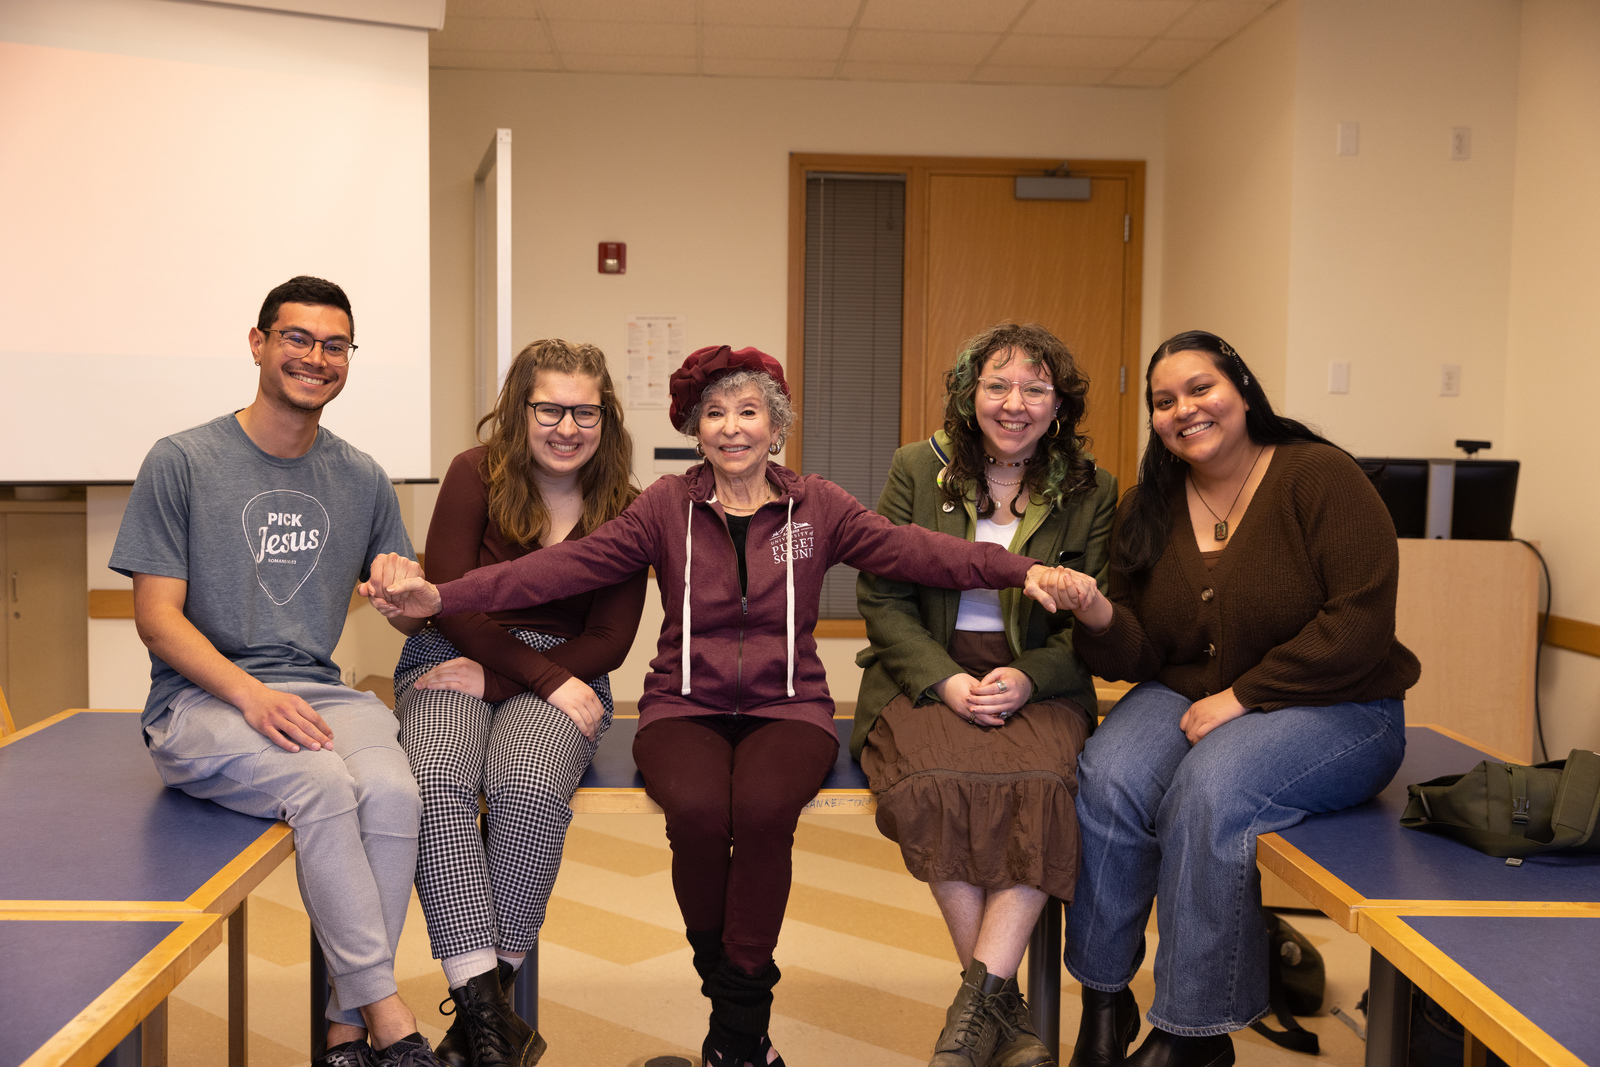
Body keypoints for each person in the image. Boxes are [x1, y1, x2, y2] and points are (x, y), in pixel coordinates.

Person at [366, 345, 1081, 1067]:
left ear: (777, 427)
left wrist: (1026, 571)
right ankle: (738, 1022)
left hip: (789, 708)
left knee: (765, 812)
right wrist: (445, 597)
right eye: (715, 413)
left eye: (750, 412)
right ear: (694, 427)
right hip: (683, 706)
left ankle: (736, 1031)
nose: (733, 427)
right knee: (701, 815)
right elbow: (554, 568)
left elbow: (924, 553)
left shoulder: (820, 506)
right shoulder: (664, 506)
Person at [1053, 331, 1420, 1067]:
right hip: (1189, 689)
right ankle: (1104, 997)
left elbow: (1359, 623)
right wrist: (1096, 613)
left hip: (1340, 707)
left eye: (1200, 388)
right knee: (1109, 772)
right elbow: (1141, 654)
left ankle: (1195, 1032)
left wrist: (1246, 695)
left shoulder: (1320, 476)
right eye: (1164, 400)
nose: (1183, 409)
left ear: (1243, 390)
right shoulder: (1147, 504)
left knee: (1211, 788)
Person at [110, 276, 445, 1067]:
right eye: (297, 338)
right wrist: (249, 694)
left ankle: (341, 1031)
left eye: (335, 345)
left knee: (398, 789)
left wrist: (408, 597)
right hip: (199, 699)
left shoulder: (361, 475)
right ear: (259, 343)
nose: (315, 357)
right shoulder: (182, 459)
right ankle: (389, 1017)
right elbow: (156, 617)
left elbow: (402, 603)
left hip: (318, 688)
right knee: (322, 782)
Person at [854, 323, 1118, 1067]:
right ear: (969, 396)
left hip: (1039, 674)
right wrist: (946, 679)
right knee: (936, 785)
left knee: (1041, 787)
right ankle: (1006, 1011)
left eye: (1036, 389)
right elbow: (883, 595)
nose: (1015, 403)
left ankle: (976, 1010)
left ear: (1059, 403)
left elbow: (1097, 621)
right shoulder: (917, 466)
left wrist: (1031, 674)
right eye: (998, 385)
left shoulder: (1093, 487)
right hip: (930, 669)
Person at [392, 339, 646, 1067]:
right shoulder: (475, 473)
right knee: (434, 782)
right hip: (454, 653)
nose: (567, 426)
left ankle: (482, 1024)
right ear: (519, 409)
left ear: (607, 419)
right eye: (549, 408)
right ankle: (494, 1026)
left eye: (584, 412)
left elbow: (611, 638)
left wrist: (513, 678)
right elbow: (446, 601)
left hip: (567, 670)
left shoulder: (627, 508)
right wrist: (501, 672)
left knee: (527, 787)